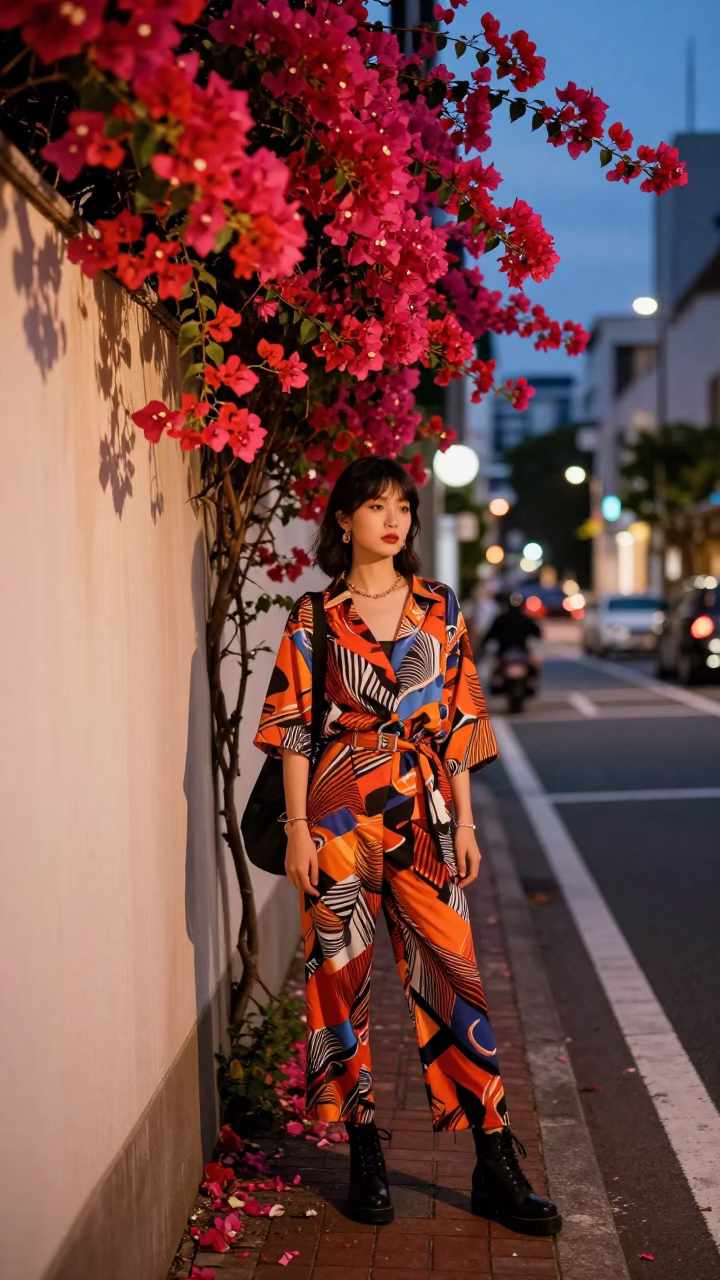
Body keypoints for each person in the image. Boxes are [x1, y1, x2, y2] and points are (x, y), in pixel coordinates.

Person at [252, 457, 561, 1238]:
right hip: (336, 811)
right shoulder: (314, 615)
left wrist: (467, 824)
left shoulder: (438, 606)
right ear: (344, 519)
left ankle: (493, 1160)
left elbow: (460, 722)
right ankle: (364, 1151)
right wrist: (297, 830)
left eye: (402, 507)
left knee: (454, 976)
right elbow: (291, 730)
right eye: (375, 506)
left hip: (422, 810)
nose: (392, 520)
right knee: (337, 982)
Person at [480, 592, 542, 693]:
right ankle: (531, 681)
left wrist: (484, 644)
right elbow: (537, 633)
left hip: (509, 653)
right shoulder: (525, 619)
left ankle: (529, 681)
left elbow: (489, 635)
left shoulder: (501, 619)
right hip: (513, 653)